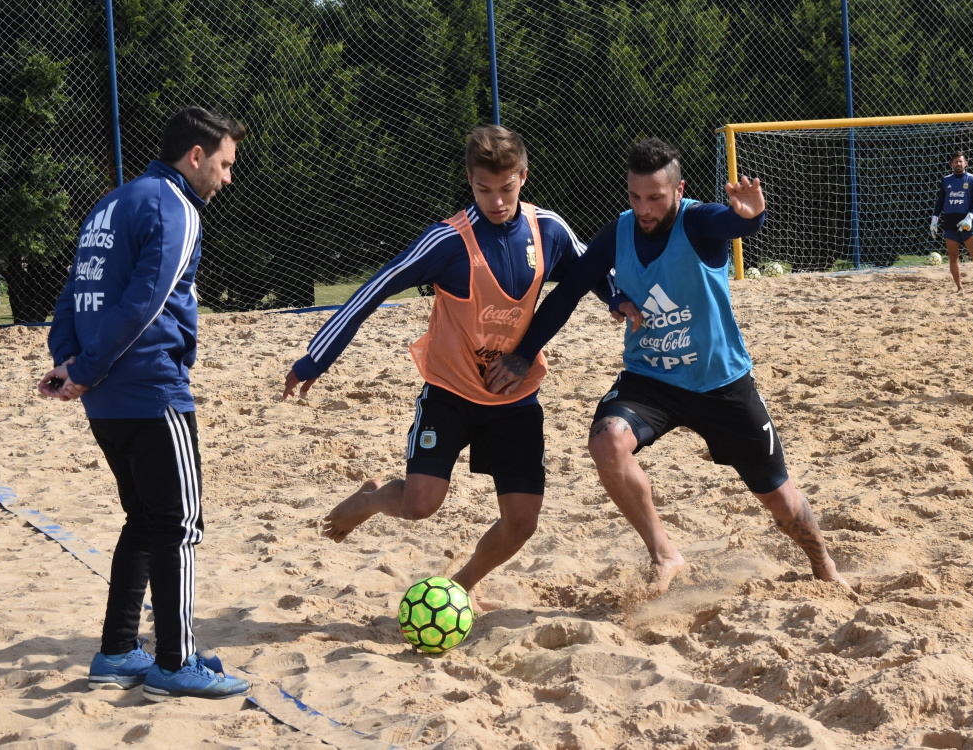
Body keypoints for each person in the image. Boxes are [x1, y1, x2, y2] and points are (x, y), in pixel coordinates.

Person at [484, 138, 848, 597]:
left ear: (678, 191)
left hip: (721, 384)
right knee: (606, 442)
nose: (644, 208)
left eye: (655, 197)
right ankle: (665, 553)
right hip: (650, 381)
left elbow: (731, 222)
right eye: (635, 197)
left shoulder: (697, 222)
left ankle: (824, 563)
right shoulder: (619, 231)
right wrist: (523, 353)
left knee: (780, 499)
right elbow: (568, 291)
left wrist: (750, 216)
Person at [282, 125, 618, 606]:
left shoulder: (548, 229)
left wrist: (619, 300)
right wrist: (317, 357)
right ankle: (373, 498)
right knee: (421, 505)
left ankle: (459, 587)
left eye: (507, 188)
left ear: (523, 176)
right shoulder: (448, 241)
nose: (497, 201)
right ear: (470, 180)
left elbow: (591, 271)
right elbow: (375, 288)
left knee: (522, 522)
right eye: (484, 190)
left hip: (514, 396)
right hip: (450, 391)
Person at [37, 106, 250, 701]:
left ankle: (117, 651)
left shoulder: (112, 203)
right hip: (151, 390)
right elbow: (144, 301)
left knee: (144, 521)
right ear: (197, 156)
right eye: (226, 164)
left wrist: (70, 361)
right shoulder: (175, 206)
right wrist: (86, 367)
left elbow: (74, 290)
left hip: (106, 401)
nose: (228, 179)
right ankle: (175, 662)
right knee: (178, 526)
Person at [931, 150, 973, 293]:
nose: (958, 164)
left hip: (968, 222)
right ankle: (959, 288)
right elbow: (940, 201)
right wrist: (934, 219)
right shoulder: (946, 180)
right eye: (956, 161)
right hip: (950, 223)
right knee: (953, 256)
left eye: (961, 161)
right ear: (952, 164)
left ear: (965, 163)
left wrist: (969, 217)